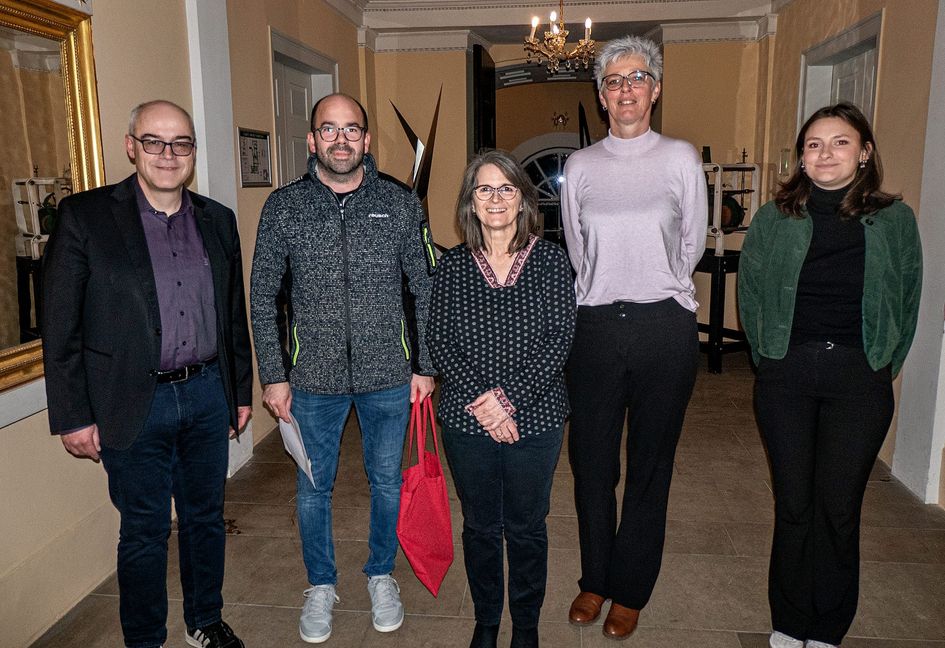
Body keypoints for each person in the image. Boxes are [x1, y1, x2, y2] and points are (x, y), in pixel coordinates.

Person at [42, 100, 253, 648]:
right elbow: (60, 326)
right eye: (154, 141)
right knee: (144, 530)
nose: (168, 153)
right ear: (131, 146)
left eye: (180, 142)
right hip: (132, 402)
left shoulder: (217, 219)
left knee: (206, 519)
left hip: (207, 394)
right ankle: (145, 639)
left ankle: (205, 620)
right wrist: (73, 414)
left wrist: (239, 391)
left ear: (192, 153)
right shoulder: (85, 218)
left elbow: (233, 313)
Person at [250, 93, 436, 644]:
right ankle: (321, 585)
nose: (340, 140)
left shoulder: (401, 204)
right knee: (313, 488)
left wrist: (425, 365)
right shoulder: (284, 208)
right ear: (311, 141)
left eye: (351, 129)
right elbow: (263, 297)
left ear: (367, 140)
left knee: (385, 482)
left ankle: (381, 574)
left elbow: (424, 287)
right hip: (312, 381)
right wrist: (274, 374)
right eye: (328, 130)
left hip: (389, 376)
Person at [737, 103, 922, 648]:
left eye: (840, 142)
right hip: (786, 376)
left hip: (858, 379)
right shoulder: (775, 217)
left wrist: (883, 362)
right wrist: (767, 357)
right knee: (793, 504)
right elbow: (750, 290)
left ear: (864, 152)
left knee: (838, 509)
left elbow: (908, 298)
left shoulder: (894, 220)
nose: (824, 153)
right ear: (801, 156)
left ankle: (828, 627)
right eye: (814, 144)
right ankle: (790, 622)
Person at [560, 35, 708, 640]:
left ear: (656, 88)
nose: (625, 89)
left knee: (651, 464)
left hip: (662, 327)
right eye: (614, 80)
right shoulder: (580, 166)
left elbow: (691, 242)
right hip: (593, 328)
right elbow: (576, 248)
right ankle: (595, 578)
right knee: (591, 463)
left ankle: (631, 587)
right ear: (601, 96)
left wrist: (657, 282)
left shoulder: (680, 158)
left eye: (637, 77)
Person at [428, 150, 576, 648]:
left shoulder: (552, 261)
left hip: (536, 418)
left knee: (528, 527)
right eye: (484, 189)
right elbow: (440, 339)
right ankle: (487, 618)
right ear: (470, 200)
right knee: (481, 527)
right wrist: (484, 403)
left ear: (523, 199)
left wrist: (506, 401)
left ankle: (527, 625)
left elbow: (560, 338)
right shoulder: (451, 266)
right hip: (466, 421)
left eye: (506, 188)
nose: (495, 198)